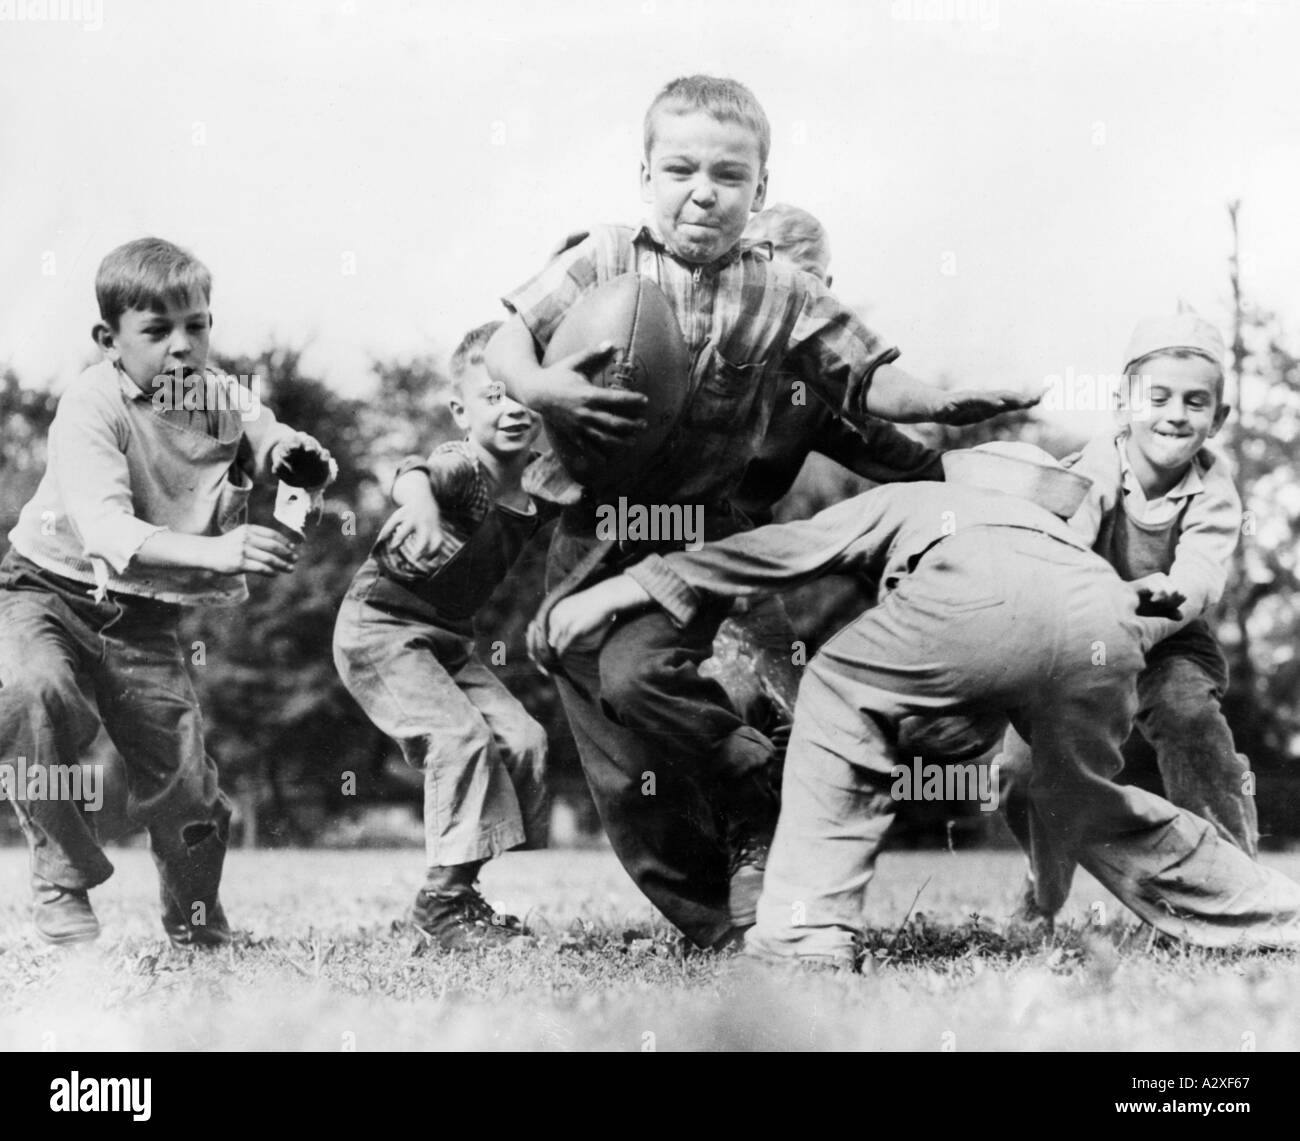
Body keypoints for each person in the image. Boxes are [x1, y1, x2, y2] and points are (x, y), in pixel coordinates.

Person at [484, 74, 1041, 948]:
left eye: (728, 174)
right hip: (593, 526)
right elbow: (505, 336)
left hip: (700, 530)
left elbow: (864, 376)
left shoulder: (781, 289)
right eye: (679, 169)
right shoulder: (599, 258)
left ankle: (754, 777)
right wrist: (543, 386)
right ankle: (713, 914)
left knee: (640, 676)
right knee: (606, 730)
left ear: (760, 189)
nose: (702, 190)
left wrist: (939, 398)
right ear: (644, 176)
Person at [542, 443, 1300, 966]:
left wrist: (630, 586)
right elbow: (983, 685)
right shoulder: (1061, 531)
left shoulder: (922, 499)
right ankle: (1273, 911)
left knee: (837, 692)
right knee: (1082, 800)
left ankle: (807, 936)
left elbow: (771, 554)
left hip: (976, 600)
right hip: (1104, 616)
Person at [0, 236, 334, 947]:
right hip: (45, 591)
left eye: (198, 325)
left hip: (143, 616)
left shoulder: (215, 396)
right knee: (33, 694)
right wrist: (219, 552)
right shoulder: (91, 405)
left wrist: (289, 455)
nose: (183, 346)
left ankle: (196, 919)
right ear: (109, 339)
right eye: (157, 331)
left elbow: (267, 430)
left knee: (183, 780)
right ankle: (62, 882)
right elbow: (106, 529)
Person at [1000, 312, 1258, 921]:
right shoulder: (1090, 468)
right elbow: (1061, 546)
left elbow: (1193, 583)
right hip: (1077, 634)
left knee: (1190, 718)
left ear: (1217, 420)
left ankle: (1236, 888)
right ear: (1124, 404)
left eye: (1196, 402)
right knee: (1018, 768)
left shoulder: (1214, 493)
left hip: (1168, 642)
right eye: (1158, 397)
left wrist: (1125, 614)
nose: (1175, 414)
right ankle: (1043, 888)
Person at [333, 322, 551, 951]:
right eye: (493, 397)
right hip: (380, 631)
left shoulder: (542, 480)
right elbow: (413, 471)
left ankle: (449, 896)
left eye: (523, 395)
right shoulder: (464, 468)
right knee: (461, 738)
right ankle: (444, 908)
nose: (511, 410)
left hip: (446, 641)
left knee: (523, 740)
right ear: (461, 410)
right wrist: (422, 507)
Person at [709, 203, 943, 742]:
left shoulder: (814, 392)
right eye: (774, 290)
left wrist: (1015, 486)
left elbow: (914, 464)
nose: (790, 314)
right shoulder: (695, 350)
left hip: (745, 573)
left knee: (794, 721)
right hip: (648, 553)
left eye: (808, 294)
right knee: (706, 713)